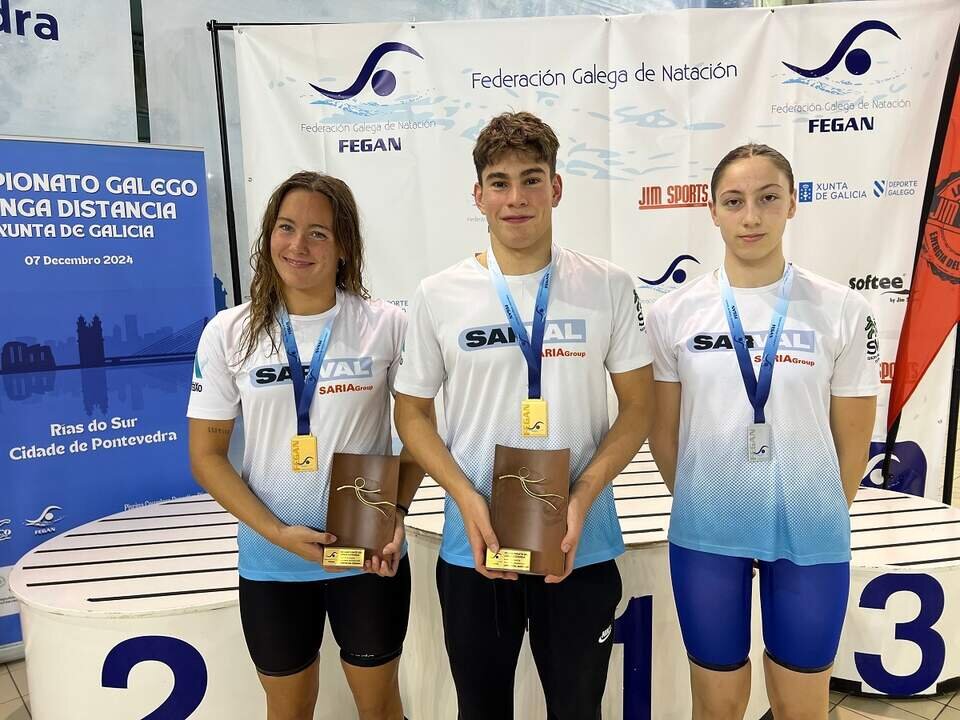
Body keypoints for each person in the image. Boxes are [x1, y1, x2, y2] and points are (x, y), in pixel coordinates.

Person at [394, 111, 655, 720]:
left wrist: (584, 493)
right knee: (480, 709)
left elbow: (640, 406)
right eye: (501, 181)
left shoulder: (609, 286)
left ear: (556, 188)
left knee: (578, 709)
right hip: (476, 543)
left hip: (579, 541)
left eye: (532, 179)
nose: (516, 198)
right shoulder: (437, 294)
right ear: (478, 194)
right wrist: (464, 497)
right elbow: (411, 414)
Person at [647, 144, 879, 720]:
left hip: (809, 533)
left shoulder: (842, 309)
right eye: (734, 201)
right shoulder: (673, 314)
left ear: (793, 204)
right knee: (718, 703)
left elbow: (852, 441)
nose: (750, 216)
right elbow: (664, 435)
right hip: (707, 532)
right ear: (714, 211)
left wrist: (820, 508)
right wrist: (705, 500)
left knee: (800, 706)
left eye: (767, 198)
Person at [188, 171, 421, 720]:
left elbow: (417, 436)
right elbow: (206, 455)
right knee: (288, 711)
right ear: (268, 237)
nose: (298, 245)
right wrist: (276, 532)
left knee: (381, 707)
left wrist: (397, 514)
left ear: (343, 247)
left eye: (319, 233)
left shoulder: (387, 325)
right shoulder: (229, 332)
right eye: (286, 228)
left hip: (367, 556)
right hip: (272, 560)